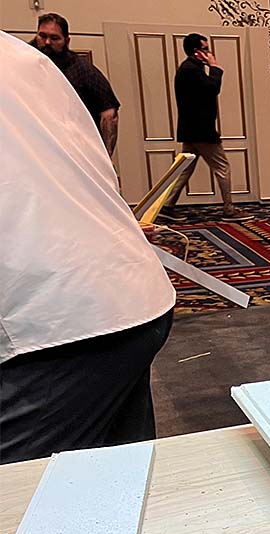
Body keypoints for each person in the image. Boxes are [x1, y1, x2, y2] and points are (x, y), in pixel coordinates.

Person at [0, 30, 176, 464]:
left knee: (22, 510)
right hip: (127, 290)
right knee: (117, 483)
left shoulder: (56, 64)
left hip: (55, 326)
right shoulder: (19, 56)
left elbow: (107, 118)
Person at [159, 33, 253, 222]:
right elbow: (211, 89)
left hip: (191, 129)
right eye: (205, 49)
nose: (209, 53)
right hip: (201, 130)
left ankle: (167, 206)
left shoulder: (188, 68)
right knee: (222, 167)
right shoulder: (191, 70)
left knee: (185, 169)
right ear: (197, 52)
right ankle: (228, 209)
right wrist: (215, 68)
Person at [30, 13, 120, 157]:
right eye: (42, 36)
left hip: (76, 149)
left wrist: (106, 155)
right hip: (35, 146)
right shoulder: (25, 63)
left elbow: (109, 113)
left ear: (67, 40)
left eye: (54, 38)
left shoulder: (83, 70)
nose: (47, 42)